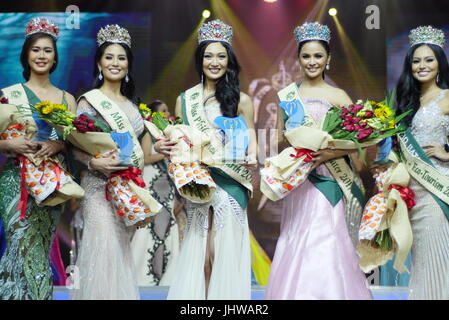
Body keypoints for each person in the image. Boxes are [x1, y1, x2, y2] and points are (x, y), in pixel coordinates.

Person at [264, 22, 372, 300]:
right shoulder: (288, 96)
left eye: (318, 56)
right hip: (300, 180)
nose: (312, 62)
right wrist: (293, 140)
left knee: (326, 238)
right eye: (306, 56)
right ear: (298, 59)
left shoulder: (338, 96)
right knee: (296, 236)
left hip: (330, 180)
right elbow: (277, 140)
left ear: (328, 59)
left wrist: (326, 152)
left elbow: (360, 141)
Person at [155, 19, 257, 300]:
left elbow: (251, 135)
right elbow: (178, 138)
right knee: (200, 251)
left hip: (231, 180)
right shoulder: (184, 100)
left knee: (224, 249)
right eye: (208, 56)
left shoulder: (241, 100)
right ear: (200, 60)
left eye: (221, 56)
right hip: (198, 180)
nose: (215, 62)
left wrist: (252, 155)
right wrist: (166, 145)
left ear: (229, 60)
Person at [0, 17, 76, 300]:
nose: (41, 55)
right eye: (36, 50)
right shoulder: (8, 95)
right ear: (26, 54)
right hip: (15, 181)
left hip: (51, 182)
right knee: (19, 244)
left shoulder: (66, 98)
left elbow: (75, 143)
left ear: (55, 57)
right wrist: (10, 143)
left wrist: (58, 144)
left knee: (39, 245)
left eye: (47, 50)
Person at [71, 24, 147, 300]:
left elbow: (142, 154)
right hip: (97, 187)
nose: (115, 63)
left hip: (126, 191)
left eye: (121, 57)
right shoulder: (89, 102)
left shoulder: (133, 105)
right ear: (99, 63)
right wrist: (94, 164)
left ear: (128, 64)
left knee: (120, 252)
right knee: (103, 249)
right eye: (109, 57)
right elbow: (75, 147)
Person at [395, 25, 449, 300]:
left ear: (440, 63)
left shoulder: (447, 97)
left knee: (437, 256)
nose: (422, 65)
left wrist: (446, 153)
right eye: (416, 60)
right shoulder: (407, 100)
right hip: (411, 192)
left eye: (429, 59)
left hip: (438, 189)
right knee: (421, 261)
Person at [131, 99, 186, 286]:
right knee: (151, 223)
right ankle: (143, 275)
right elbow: (145, 157)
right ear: (153, 114)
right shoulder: (149, 131)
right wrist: (167, 152)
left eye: (167, 110)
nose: (167, 113)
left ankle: (167, 275)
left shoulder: (168, 133)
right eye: (163, 110)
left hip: (167, 183)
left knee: (167, 222)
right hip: (153, 180)